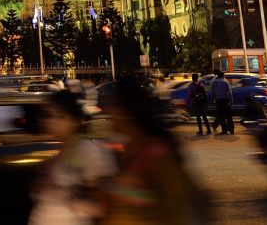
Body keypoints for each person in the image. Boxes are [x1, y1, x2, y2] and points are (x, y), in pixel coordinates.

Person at [103, 77, 207, 224]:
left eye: (112, 104)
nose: (108, 111)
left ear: (126, 111)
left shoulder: (156, 154)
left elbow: (175, 210)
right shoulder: (132, 150)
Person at [29, 90, 116, 224]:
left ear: (73, 120)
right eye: (46, 116)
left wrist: (72, 203)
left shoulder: (87, 150)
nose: (47, 121)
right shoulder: (62, 152)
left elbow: (105, 204)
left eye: (55, 116)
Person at [211, 71, 234, 135]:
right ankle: (231, 130)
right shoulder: (226, 82)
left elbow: (212, 92)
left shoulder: (214, 82)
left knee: (221, 116)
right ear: (223, 76)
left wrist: (214, 99)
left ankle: (224, 130)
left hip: (218, 100)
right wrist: (231, 101)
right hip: (226, 100)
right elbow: (230, 92)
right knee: (229, 115)